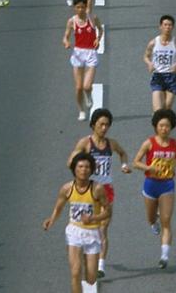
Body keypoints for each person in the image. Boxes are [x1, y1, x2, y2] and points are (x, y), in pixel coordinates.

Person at [67, 109, 131, 279]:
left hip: (106, 189)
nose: (104, 128)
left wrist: (124, 165)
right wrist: (76, 165)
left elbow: (123, 153)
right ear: (93, 124)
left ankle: (101, 265)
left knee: (103, 228)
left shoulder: (112, 144)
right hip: (89, 190)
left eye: (107, 125)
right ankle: (85, 259)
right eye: (101, 124)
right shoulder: (85, 143)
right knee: (86, 228)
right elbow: (72, 160)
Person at [42, 153, 111, 293]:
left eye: (87, 167)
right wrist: (51, 220)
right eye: (80, 166)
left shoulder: (97, 188)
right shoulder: (67, 188)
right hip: (74, 231)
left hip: (92, 233)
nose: (83, 170)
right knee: (75, 272)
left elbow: (107, 211)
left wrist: (93, 218)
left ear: (91, 170)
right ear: (74, 169)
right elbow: (59, 207)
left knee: (91, 277)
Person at [133, 109, 176, 269]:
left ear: (171, 127)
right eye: (161, 125)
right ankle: (152, 222)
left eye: (167, 126)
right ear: (156, 126)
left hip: (167, 184)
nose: (164, 129)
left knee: (166, 221)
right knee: (151, 218)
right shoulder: (149, 143)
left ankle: (164, 256)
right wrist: (148, 167)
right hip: (150, 184)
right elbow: (136, 162)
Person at [63, 0, 103, 121]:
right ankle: (81, 110)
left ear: (86, 7)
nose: (80, 10)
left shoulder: (92, 18)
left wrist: (98, 39)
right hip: (78, 53)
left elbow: (100, 30)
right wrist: (66, 42)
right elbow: (66, 36)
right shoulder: (72, 21)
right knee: (79, 87)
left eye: (82, 7)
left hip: (90, 52)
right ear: (74, 8)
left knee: (86, 86)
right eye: (78, 7)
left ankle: (89, 96)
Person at [143, 14, 176, 112]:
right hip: (157, 76)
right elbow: (146, 56)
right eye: (165, 25)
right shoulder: (153, 43)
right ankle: (157, 124)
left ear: (173, 27)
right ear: (160, 26)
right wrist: (149, 64)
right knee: (158, 110)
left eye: (170, 25)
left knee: (167, 108)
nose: (167, 27)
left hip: (171, 77)